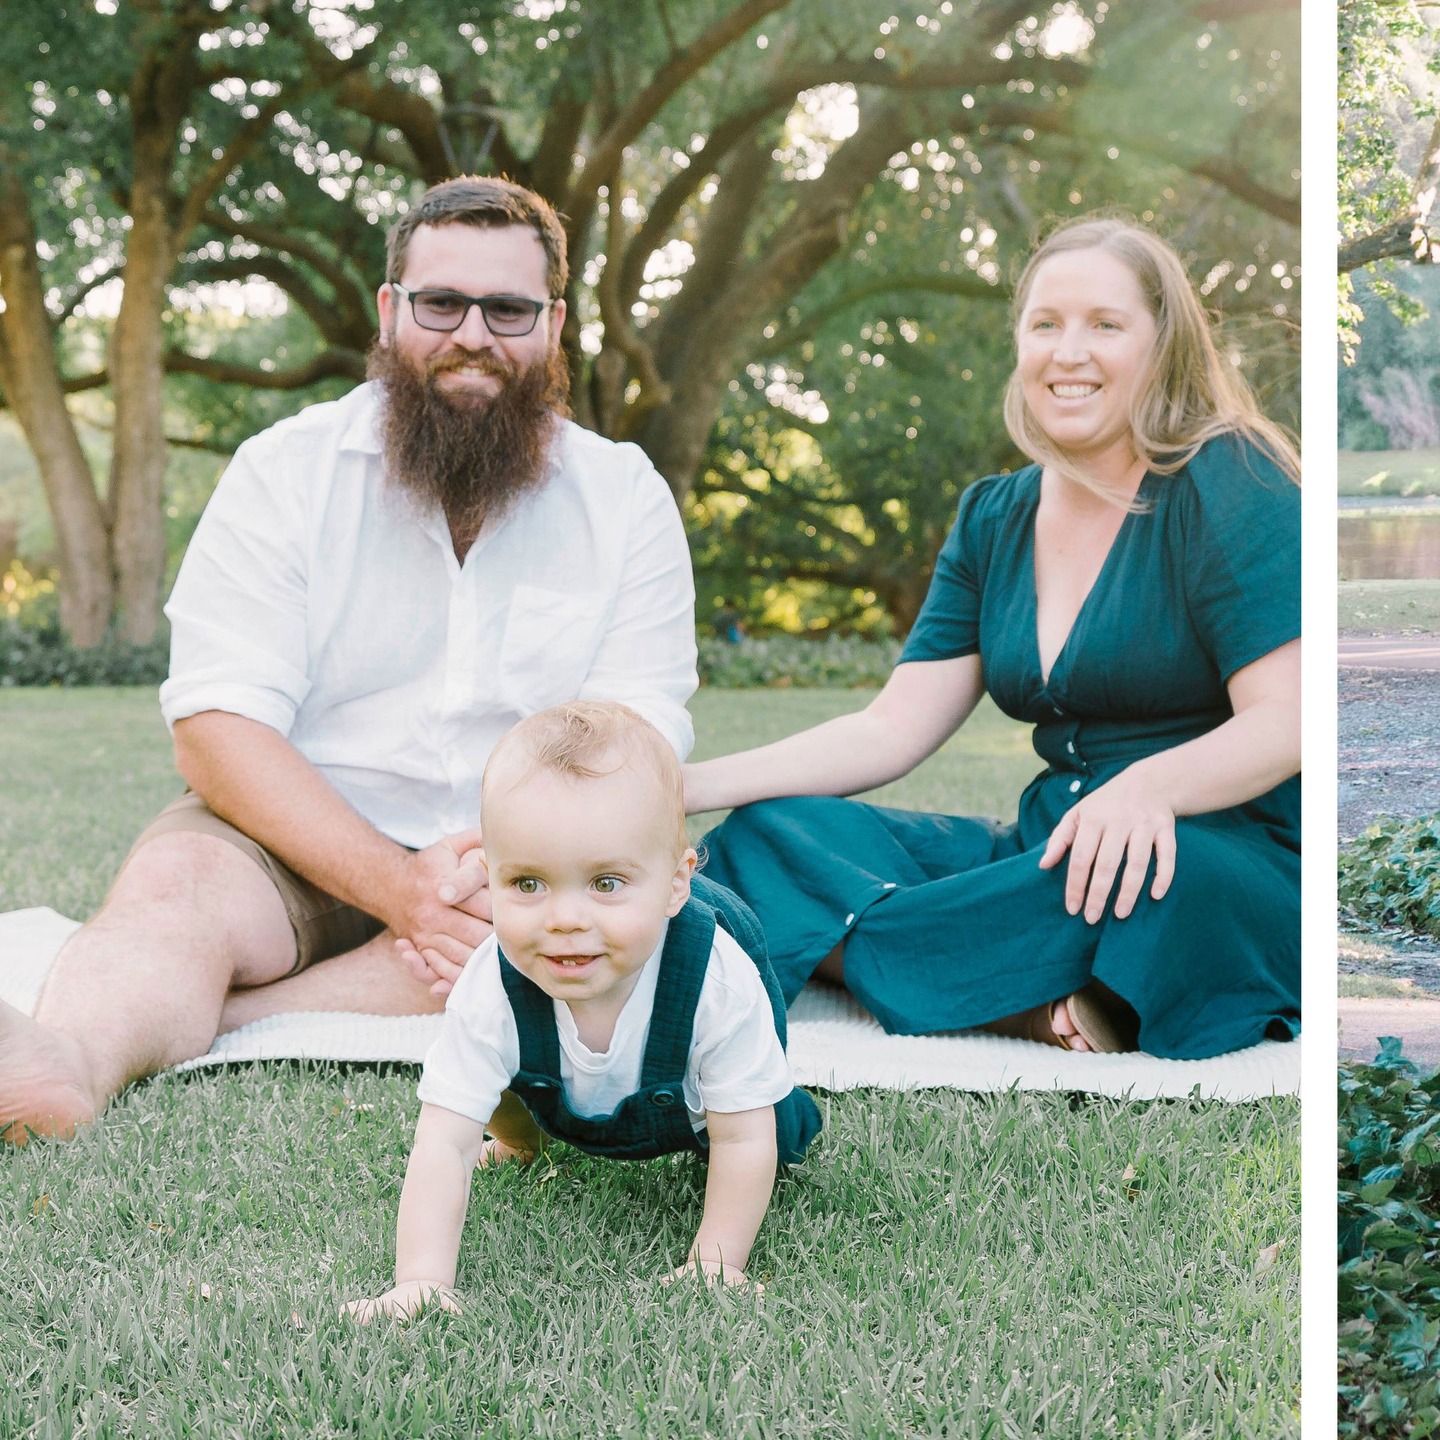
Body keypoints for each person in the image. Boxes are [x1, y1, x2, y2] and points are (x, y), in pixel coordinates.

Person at [0, 178, 698, 1144]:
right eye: (441, 304)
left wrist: (498, 872)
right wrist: (393, 885)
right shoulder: (284, 472)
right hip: (295, 835)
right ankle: (67, 1064)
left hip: (520, 854)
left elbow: (638, 736)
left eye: (509, 310)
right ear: (390, 310)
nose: (473, 335)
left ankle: (213, 1020)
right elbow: (216, 728)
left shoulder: (624, 497)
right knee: (178, 889)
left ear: (555, 325)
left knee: (576, 933)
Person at [686, 216, 1301, 1061]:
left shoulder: (1228, 476)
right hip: (1044, 856)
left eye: (1105, 325)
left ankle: (863, 955)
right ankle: (1024, 997)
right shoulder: (994, 515)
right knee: (770, 833)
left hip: (1208, 853)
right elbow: (891, 728)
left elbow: (1288, 719)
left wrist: (1145, 790)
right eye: (1045, 324)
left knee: (1165, 890)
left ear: (1164, 345)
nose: (1068, 351)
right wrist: (682, 786)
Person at [345, 701, 821, 1318]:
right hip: (550, 1087)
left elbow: (742, 1134)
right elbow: (443, 1140)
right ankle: (521, 1146)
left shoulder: (717, 981)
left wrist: (718, 1263)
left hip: (701, 1102)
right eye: (528, 884)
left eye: (606, 883)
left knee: (767, 1134)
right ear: (488, 880)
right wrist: (421, 1279)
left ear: (677, 883)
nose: (565, 919)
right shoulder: (492, 981)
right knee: (497, 1076)